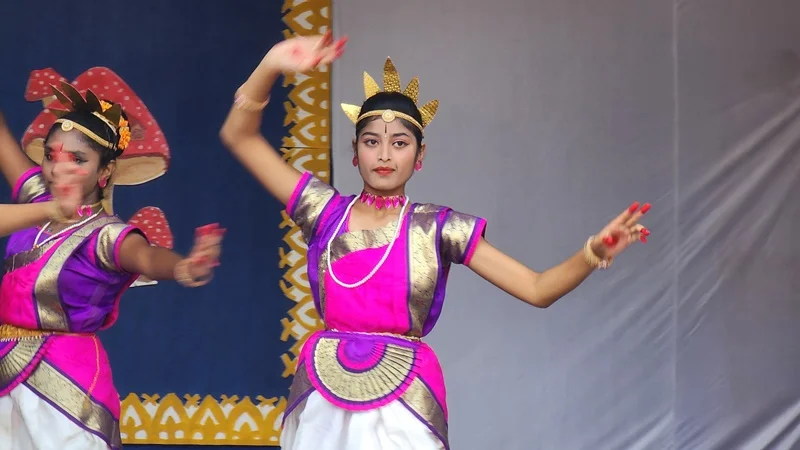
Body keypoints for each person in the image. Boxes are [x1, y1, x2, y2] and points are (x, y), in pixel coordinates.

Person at [220, 33, 651, 450]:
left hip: (405, 401)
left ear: (420, 155)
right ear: (355, 152)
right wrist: (271, 63)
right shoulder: (323, 212)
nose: (384, 155)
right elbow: (239, 136)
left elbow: (537, 289)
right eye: (371, 142)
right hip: (324, 400)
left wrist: (593, 252)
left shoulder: (438, 228)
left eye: (399, 143)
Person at [0, 82, 224, 450]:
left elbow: (148, 258)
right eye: (51, 155)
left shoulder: (107, 235)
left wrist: (184, 266)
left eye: (78, 159)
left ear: (105, 171)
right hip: (7, 368)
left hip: (65, 381)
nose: (58, 168)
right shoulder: (35, 200)